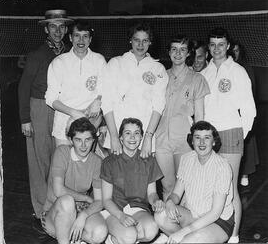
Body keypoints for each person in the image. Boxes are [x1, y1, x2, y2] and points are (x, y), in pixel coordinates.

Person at [201, 27, 256, 243]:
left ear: (229, 46)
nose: (217, 49)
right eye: (213, 45)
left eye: (221, 44)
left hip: (231, 133)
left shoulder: (238, 71)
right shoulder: (203, 73)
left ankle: (233, 237)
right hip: (207, 137)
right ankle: (213, 232)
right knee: (210, 187)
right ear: (208, 47)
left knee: (230, 189)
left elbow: (249, 110)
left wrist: (239, 134)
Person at [18, 9, 73, 222]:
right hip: (40, 109)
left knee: (61, 158)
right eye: (53, 26)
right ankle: (42, 208)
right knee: (40, 160)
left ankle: (61, 204)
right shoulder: (36, 55)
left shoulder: (71, 52)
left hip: (64, 109)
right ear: (46, 29)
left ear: (67, 29)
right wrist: (25, 119)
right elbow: (23, 88)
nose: (57, 31)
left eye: (61, 27)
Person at [154, 121, 234, 244]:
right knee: (161, 215)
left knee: (187, 240)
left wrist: (182, 232)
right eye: (197, 138)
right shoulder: (187, 159)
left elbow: (215, 213)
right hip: (193, 214)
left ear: (214, 142)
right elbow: (176, 194)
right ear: (192, 141)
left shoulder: (222, 166)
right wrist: (170, 202)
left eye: (207, 138)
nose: (202, 142)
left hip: (218, 221)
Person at [101, 22, 168, 158]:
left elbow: (158, 106)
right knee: (117, 178)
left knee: (143, 178)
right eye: (137, 40)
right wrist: (114, 137)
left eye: (145, 41)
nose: (140, 45)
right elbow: (107, 102)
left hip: (145, 139)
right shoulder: (115, 63)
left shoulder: (158, 68)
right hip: (117, 136)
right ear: (130, 40)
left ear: (150, 42)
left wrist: (148, 138)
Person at [155, 35, 210, 200]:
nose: (178, 53)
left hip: (184, 141)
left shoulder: (197, 79)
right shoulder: (160, 76)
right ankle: (168, 225)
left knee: (184, 188)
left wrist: (199, 142)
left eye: (183, 49)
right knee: (167, 186)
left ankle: (185, 224)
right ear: (169, 52)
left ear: (188, 54)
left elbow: (200, 116)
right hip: (161, 140)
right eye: (174, 49)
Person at [41, 117, 108, 244]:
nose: (83, 145)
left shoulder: (97, 161)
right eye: (78, 140)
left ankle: (75, 238)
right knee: (67, 201)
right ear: (71, 140)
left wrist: (83, 215)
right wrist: (85, 198)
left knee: (100, 232)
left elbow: (99, 201)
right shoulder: (62, 152)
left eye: (87, 140)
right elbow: (59, 191)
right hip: (55, 215)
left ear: (93, 140)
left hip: (80, 211)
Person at [100, 118, 164, 244]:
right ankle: (115, 236)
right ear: (121, 138)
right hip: (115, 210)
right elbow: (106, 200)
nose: (132, 137)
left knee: (151, 230)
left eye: (137, 133)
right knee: (129, 236)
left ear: (141, 137)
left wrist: (156, 201)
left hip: (138, 209)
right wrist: (120, 216)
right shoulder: (109, 162)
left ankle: (116, 240)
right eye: (128, 133)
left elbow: (151, 193)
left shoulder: (148, 160)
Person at [45, 20, 106, 147]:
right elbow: (51, 99)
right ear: (70, 38)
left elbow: (104, 89)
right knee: (65, 164)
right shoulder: (59, 62)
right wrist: (74, 113)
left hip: (90, 123)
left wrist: (98, 100)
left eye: (85, 36)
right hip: (64, 124)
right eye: (77, 35)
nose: (81, 40)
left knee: (87, 165)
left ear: (90, 39)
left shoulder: (99, 60)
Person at [231, 41, 260, 187]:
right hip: (229, 113)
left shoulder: (245, 68)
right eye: (233, 50)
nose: (234, 53)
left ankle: (245, 173)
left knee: (247, 142)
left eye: (237, 50)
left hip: (243, 112)